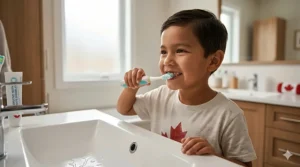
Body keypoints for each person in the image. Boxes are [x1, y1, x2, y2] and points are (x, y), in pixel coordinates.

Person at [117, 9, 256, 167]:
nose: (167, 60)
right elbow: (124, 109)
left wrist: (215, 157)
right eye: (163, 52)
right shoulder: (161, 96)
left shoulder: (228, 115)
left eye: (180, 51)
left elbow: (245, 165)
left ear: (213, 61)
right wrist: (131, 88)